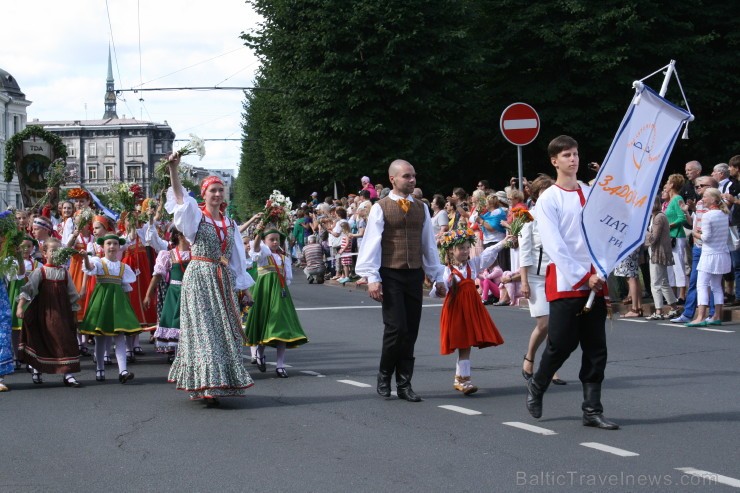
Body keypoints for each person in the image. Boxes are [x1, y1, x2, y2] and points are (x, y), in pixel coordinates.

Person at [525, 135, 617, 430]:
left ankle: (592, 409)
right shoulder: (548, 198)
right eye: (566, 155)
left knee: (596, 348)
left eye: (575, 153)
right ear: (555, 161)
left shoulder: (590, 192)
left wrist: (605, 265)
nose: (573, 159)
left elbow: (603, 231)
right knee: (562, 344)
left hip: (596, 279)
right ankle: (538, 384)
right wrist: (582, 275)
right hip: (567, 281)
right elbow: (555, 245)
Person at [165, 154, 255, 406]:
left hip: (223, 278)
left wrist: (244, 288)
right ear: (203, 195)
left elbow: (237, 257)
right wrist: (174, 169)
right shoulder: (196, 217)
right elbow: (181, 199)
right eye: (212, 190)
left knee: (224, 330)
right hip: (200, 277)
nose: (217, 194)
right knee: (203, 330)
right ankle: (206, 383)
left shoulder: (230, 223)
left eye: (220, 190)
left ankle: (220, 380)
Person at [356, 159, 446, 402]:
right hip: (390, 273)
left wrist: (437, 275)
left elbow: (428, 243)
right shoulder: (381, 207)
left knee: (411, 330)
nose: (412, 180)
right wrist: (372, 277)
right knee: (396, 328)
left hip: (414, 273)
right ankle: (384, 374)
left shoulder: (421, 207)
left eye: (414, 176)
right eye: (407, 176)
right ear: (393, 179)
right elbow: (372, 243)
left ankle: (404, 383)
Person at [433, 229, 509, 395]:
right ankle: (462, 379)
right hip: (456, 308)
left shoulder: (472, 265)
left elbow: (487, 255)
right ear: (451, 250)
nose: (466, 251)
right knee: (462, 341)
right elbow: (439, 290)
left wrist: (503, 242)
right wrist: (440, 289)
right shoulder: (445, 270)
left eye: (468, 247)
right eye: (461, 248)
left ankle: (462, 379)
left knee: (466, 341)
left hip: (471, 307)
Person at [518, 174, 566, 385]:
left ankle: (550, 367)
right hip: (536, 277)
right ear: (536, 196)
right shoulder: (528, 217)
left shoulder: (559, 216)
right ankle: (529, 357)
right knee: (545, 322)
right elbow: (524, 252)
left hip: (556, 274)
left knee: (556, 324)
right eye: (543, 193)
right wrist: (524, 281)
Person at [15, 238, 82, 387]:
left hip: (62, 312)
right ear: (45, 253)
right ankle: (37, 369)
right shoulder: (40, 272)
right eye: (53, 251)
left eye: (59, 250)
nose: (56, 253)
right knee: (41, 339)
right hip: (44, 312)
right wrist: (20, 307)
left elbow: (72, 295)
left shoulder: (65, 273)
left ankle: (68, 373)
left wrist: (74, 314)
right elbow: (28, 290)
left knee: (65, 340)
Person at [245, 224, 308, 378]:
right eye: (271, 239)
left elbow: (288, 278)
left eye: (277, 240)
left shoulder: (283, 257)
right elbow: (256, 249)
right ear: (265, 241)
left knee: (281, 325)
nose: (275, 242)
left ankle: (280, 365)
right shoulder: (263, 253)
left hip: (279, 292)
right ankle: (259, 354)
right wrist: (259, 233)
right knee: (265, 322)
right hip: (264, 291)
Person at [80, 234, 140, 384]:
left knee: (119, 335)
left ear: (119, 247)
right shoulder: (98, 262)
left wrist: (127, 308)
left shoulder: (123, 267)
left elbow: (126, 288)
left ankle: (123, 370)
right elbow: (89, 268)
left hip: (118, 302)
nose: (112, 246)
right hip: (103, 300)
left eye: (115, 244)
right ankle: (100, 367)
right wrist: (86, 258)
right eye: (109, 244)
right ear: (103, 247)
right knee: (101, 337)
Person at [670, 176, 718, 324]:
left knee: (711, 283)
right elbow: (693, 224)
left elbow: (707, 232)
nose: (698, 189)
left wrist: (696, 235)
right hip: (698, 247)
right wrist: (687, 211)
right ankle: (688, 313)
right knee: (695, 281)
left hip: (709, 248)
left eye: (702, 186)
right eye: (697, 187)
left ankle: (712, 314)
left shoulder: (716, 208)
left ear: (712, 188)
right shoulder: (698, 204)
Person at [144, 228, 190, 363]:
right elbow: (157, 276)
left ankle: (188, 357)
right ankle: (177, 357)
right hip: (175, 292)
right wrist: (148, 295)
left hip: (191, 292)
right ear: (179, 236)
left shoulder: (196, 253)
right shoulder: (168, 254)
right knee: (175, 323)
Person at [687, 187, 730, 326]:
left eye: (705, 197)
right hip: (722, 253)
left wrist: (694, 233)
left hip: (709, 254)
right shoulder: (724, 214)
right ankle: (716, 316)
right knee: (716, 286)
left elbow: (706, 238)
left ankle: (700, 317)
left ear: (713, 199)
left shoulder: (707, 215)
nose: (702, 199)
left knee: (702, 285)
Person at [644, 196, 681, 320]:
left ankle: (658, 310)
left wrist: (643, 233)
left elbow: (654, 238)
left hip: (658, 253)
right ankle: (674, 308)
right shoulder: (657, 216)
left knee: (655, 283)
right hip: (658, 252)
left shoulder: (658, 217)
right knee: (664, 282)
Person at [663, 174, 688, 303]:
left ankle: (682, 295)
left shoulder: (677, 198)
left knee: (678, 265)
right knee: (669, 266)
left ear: (672, 185)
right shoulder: (669, 201)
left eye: (667, 182)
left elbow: (681, 218)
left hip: (677, 236)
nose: (666, 185)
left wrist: (667, 225)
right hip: (670, 236)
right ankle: (672, 294)